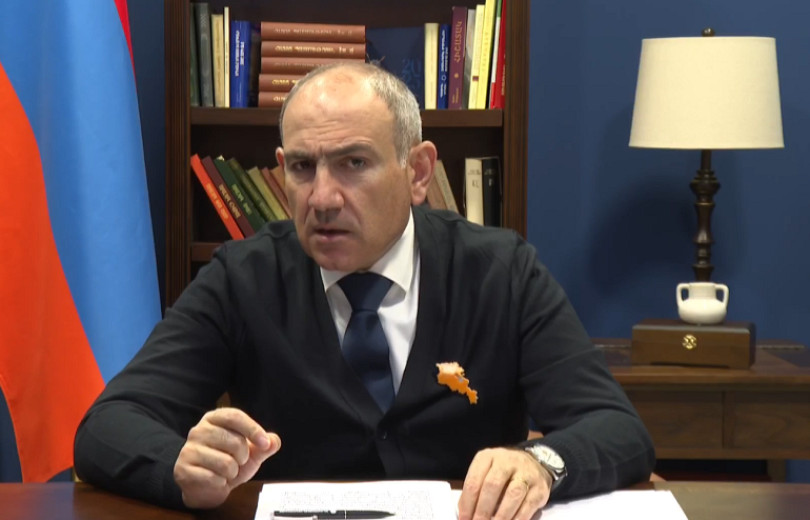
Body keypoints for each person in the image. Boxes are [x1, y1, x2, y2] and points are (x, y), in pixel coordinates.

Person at [74, 62, 655, 519]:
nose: (322, 198)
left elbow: (617, 428)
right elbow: (106, 427)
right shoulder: (243, 277)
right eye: (302, 168)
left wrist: (541, 462)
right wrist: (180, 467)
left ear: (418, 171)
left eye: (353, 163)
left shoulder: (501, 272)